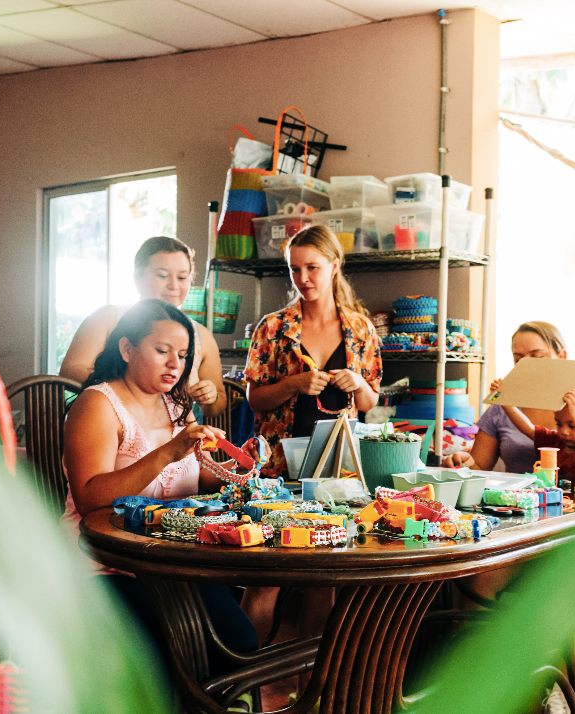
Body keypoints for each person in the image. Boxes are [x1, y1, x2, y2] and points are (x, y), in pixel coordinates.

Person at [61, 299, 257, 664]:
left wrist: (237, 471)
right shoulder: (97, 405)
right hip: (105, 561)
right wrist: (168, 451)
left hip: (172, 559)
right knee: (186, 648)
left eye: (183, 355)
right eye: (162, 350)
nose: (175, 365)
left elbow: (201, 477)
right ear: (126, 348)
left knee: (237, 642)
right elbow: (89, 499)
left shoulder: (177, 404)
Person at [244, 224, 382, 480]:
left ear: (334, 266)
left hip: (339, 465)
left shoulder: (361, 329)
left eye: (312, 268)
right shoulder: (272, 328)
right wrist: (292, 384)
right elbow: (255, 400)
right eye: (294, 269)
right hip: (279, 466)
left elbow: (368, 402)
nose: (302, 279)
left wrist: (359, 383)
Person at [59, 236, 226, 418]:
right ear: (137, 277)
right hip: (111, 427)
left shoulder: (201, 335)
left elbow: (217, 406)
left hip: (180, 437)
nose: (173, 286)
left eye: (182, 277)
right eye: (162, 275)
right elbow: (71, 370)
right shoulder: (107, 318)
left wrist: (211, 396)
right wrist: (131, 387)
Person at [445, 321, 575, 472]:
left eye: (537, 357)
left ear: (562, 357)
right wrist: (462, 463)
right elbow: (477, 467)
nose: (526, 365)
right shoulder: (501, 411)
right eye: (518, 359)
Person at [496, 380, 575, 488]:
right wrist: (504, 401)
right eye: (559, 424)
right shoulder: (554, 441)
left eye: (573, 425)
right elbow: (528, 429)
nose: (564, 432)